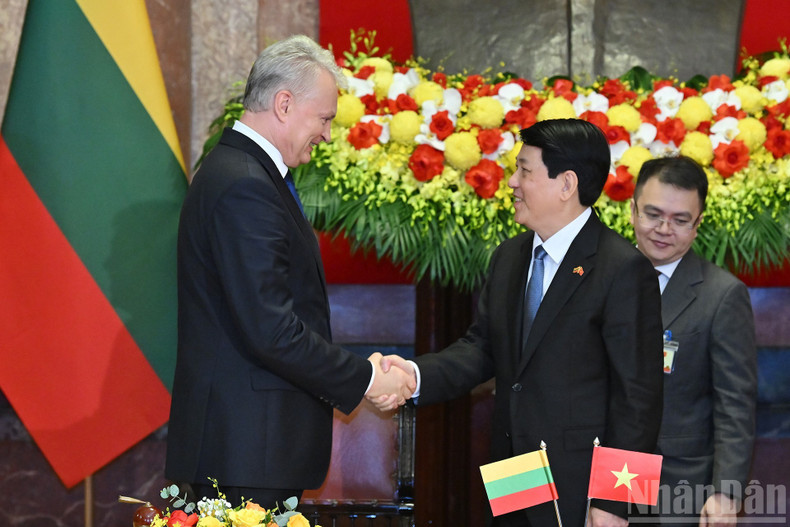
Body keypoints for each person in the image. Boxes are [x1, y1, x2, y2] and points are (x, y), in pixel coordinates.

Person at [165, 35, 414, 509]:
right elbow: (272, 329)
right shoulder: (244, 184)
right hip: (244, 455)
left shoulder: (245, 173)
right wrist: (364, 377)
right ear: (283, 103)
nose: (326, 133)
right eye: (323, 118)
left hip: (248, 451)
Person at [378, 119, 664, 527]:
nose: (511, 182)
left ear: (567, 184)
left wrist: (617, 504)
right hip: (513, 468)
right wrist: (414, 374)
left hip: (583, 486)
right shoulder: (510, 257)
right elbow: (482, 348)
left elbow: (641, 398)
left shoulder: (622, 269)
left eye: (524, 170)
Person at [629, 156, 757, 526]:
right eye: (653, 214)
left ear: (698, 224)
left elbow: (735, 403)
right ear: (633, 209)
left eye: (680, 220)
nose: (663, 229)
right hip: (608, 477)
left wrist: (726, 493)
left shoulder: (722, 295)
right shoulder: (599, 280)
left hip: (681, 487)